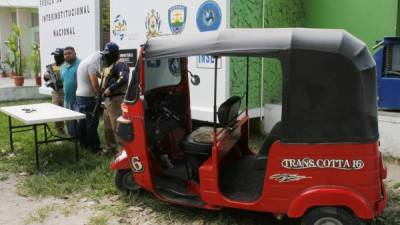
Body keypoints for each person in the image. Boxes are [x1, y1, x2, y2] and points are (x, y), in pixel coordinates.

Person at [100, 42, 129, 153]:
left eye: (107, 54)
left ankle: (123, 152)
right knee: (107, 126)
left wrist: (110, 89)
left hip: (117, 100)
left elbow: (123, 78)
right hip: (108, 101)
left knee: (117, 127)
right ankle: (111, 148)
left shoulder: (120, 64)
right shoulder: (109, 66)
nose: (105, 57)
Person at [76, 51, 102, 152]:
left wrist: (103, 75)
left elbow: (98, 74)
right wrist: (99, 95)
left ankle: (83, 144)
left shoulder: (85, 62)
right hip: (88, 97)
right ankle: (95, 147)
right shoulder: (92, 64)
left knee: (82, 121)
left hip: (80, 96)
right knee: (92, 123)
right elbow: (95, 84)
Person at [43, 48, 65, 135]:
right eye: (54, 55)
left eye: (57, 55)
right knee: (56, 111)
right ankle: (60, 130)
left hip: (65, 91)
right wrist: (46, 76)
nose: (55, 57)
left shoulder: (66, 65)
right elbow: (45, 78)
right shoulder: (51, 66)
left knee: (68, 111)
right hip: (55, 92)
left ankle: (71, 131)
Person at [60, 46, 80, 137]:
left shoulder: (81, 64)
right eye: (65, 54)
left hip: (79, 99)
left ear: (75, 54)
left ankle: (82, 139)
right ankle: (72, 138)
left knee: (81, 121)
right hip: (67, 99)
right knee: (69, 121)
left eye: (69, 53)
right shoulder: (62, 67)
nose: (67, 55)